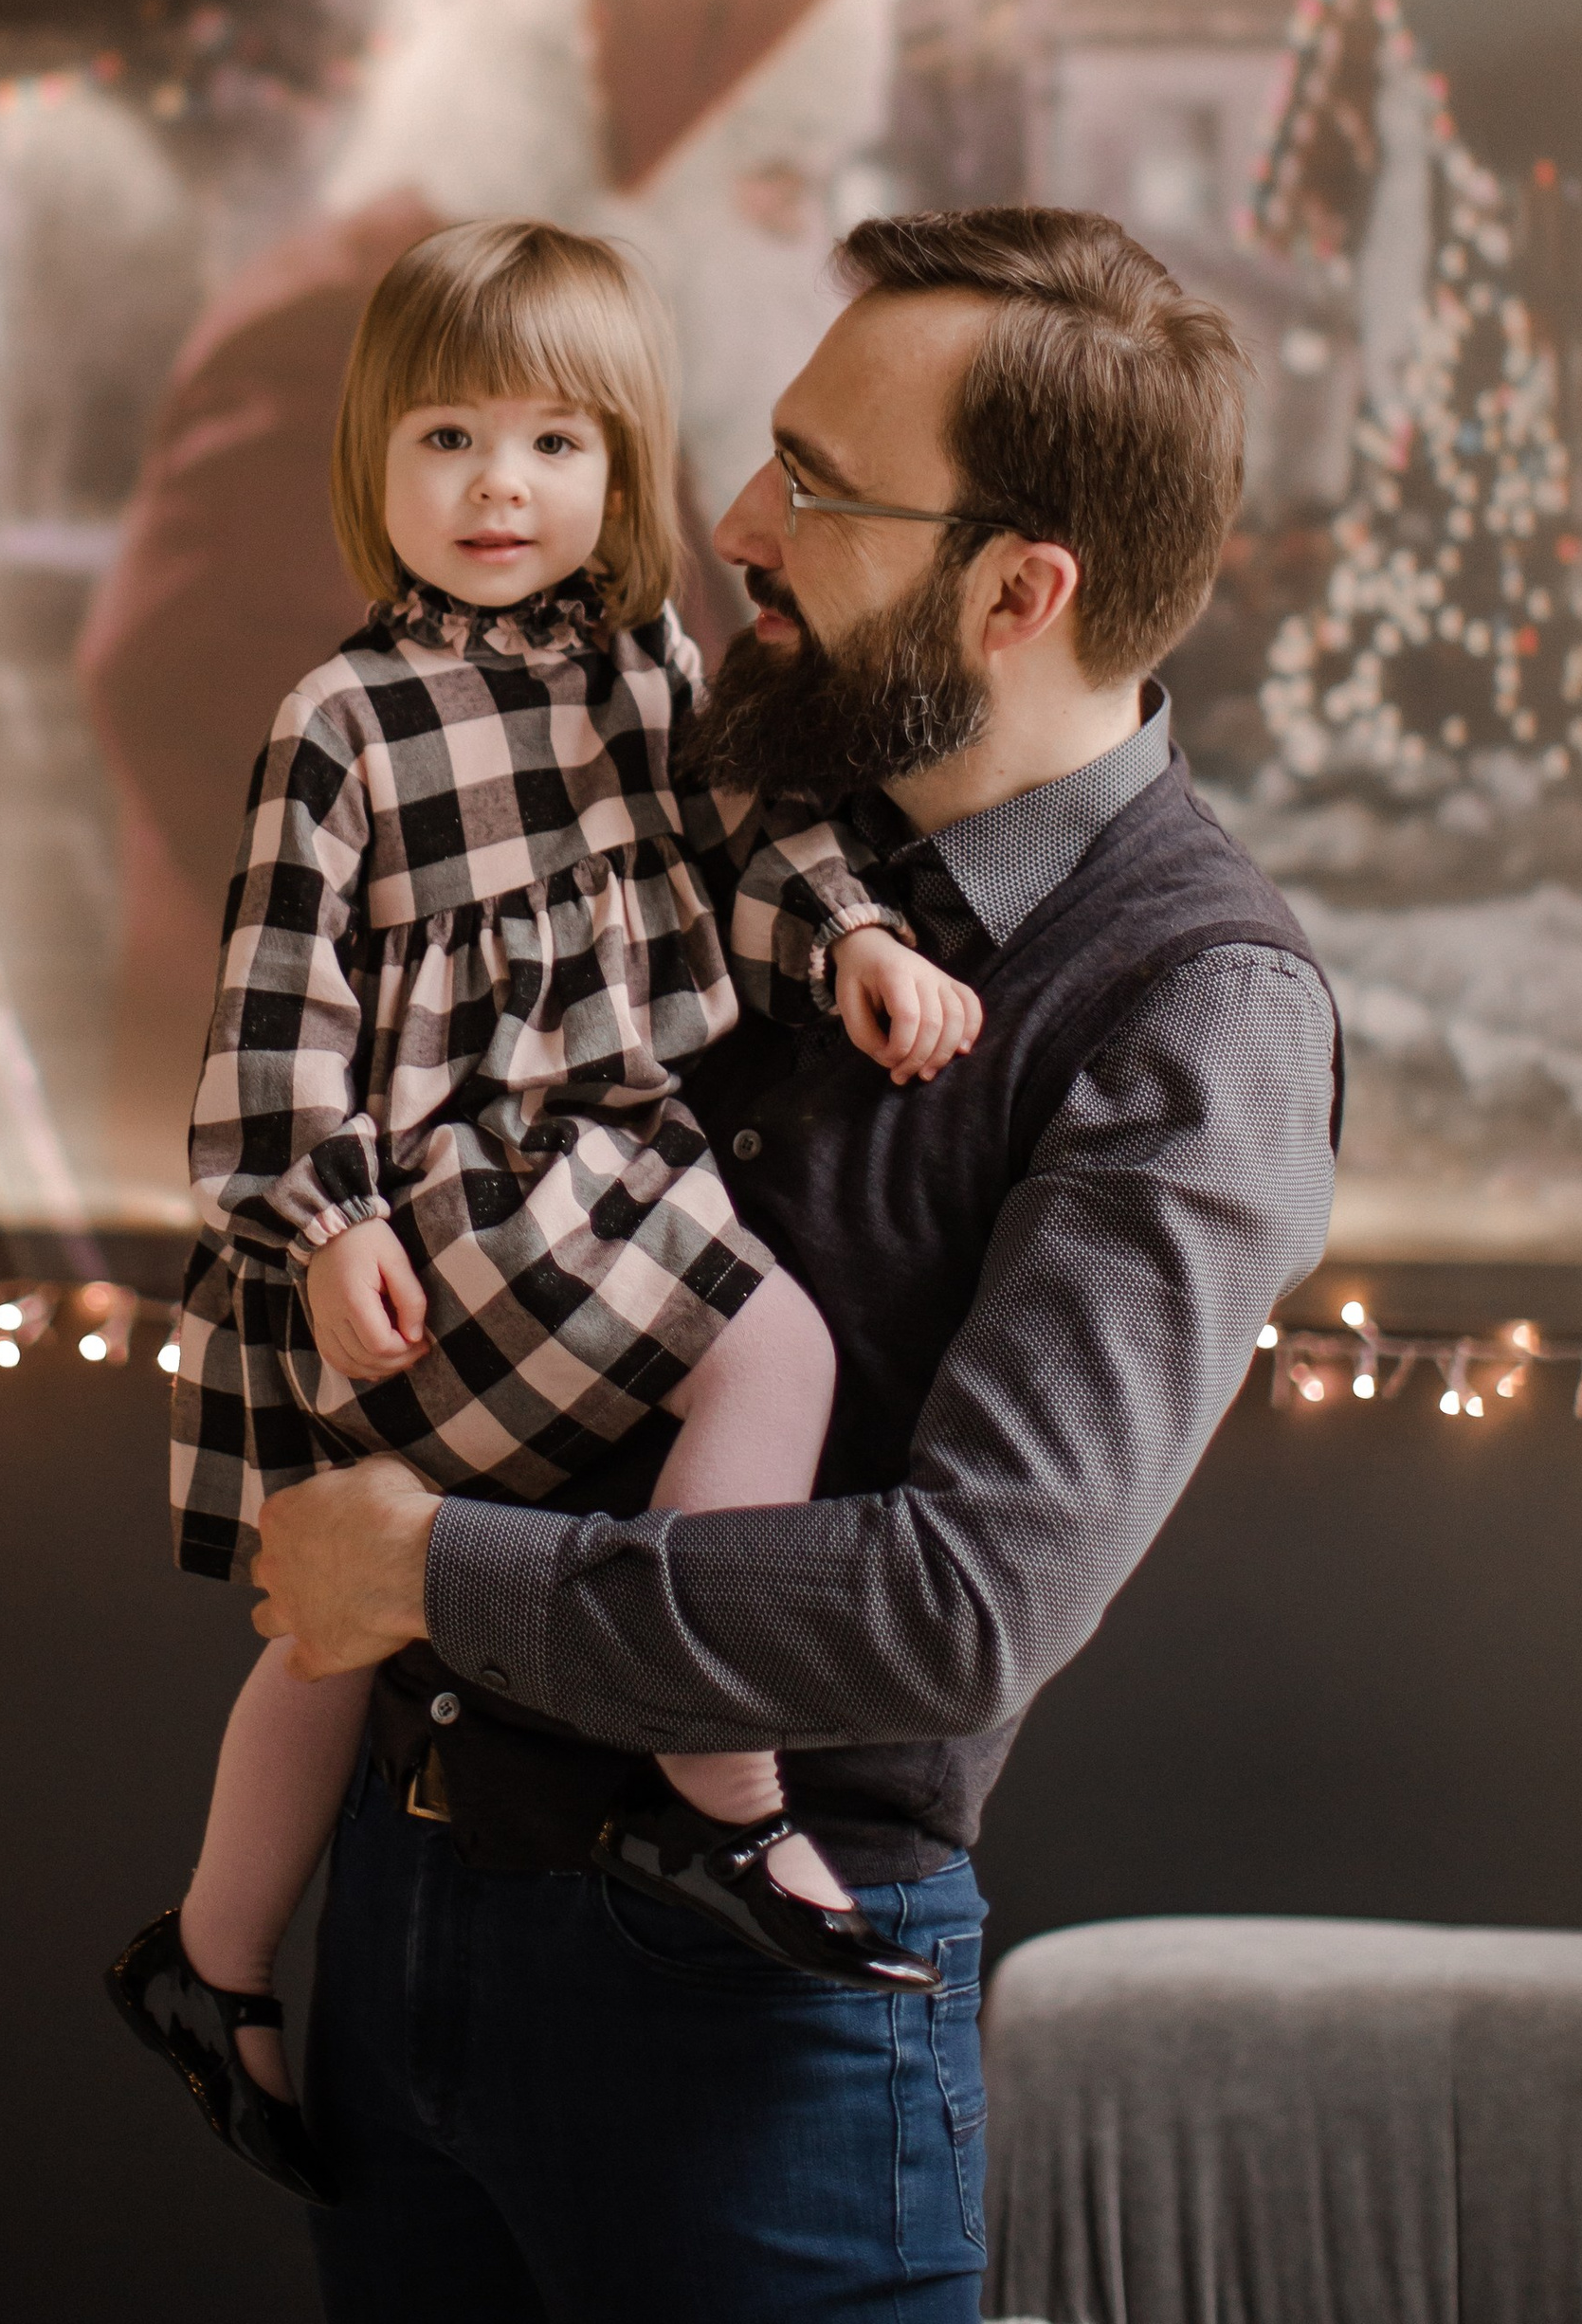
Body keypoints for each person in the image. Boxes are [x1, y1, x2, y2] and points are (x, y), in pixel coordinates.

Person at [245, 206, 1343, 2324]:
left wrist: (425, 1574)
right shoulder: (703, 798)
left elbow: (960, 1604)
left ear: (1018, 591)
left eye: (816, 492)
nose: (730, 521)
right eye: (764, 453)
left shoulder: (1197, 1011)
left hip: (745, 2004)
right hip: (399, 1917)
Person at [110, 218, 986, 2199]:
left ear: (621, 465)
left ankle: (217, 1954)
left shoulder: (643, 665)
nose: (497, 490)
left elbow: (744, 842)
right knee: (763, 1343)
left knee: (347, 1619)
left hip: (585, 1169)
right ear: (369, 457)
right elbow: (275, 1016)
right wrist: (328, 1223)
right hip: (444, 1198)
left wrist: (845, 939)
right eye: (442, 440)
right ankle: (718, 1773)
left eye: (550, 444)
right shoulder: (344, 721)